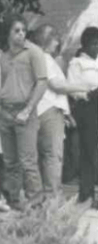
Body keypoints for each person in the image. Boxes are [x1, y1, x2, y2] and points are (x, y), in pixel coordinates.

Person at [0, 14, 48, 210]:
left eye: (23, 30)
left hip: (25, 113)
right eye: (17, 30)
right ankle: (15, 204)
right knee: (10, 162)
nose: (21, 34)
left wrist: (28, 109)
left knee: (28, 161)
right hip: (5, 114)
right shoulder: (4, 57)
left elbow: (42, 82)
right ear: (8, 33)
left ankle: (36, 208)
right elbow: (4, 85)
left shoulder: (34, 52)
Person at [29, 25, 92, 203]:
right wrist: (84, 88)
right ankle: (52, 197)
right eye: (55, 38)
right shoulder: (44, 59)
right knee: (52, 155)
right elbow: (57, 85)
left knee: (47, 155)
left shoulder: (40, 58)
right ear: (47, 40)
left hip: (48, 109)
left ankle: (46, 196)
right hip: (49, 111)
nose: (58, 42)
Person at [69, 27, 98, 207]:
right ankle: (87, 194)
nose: (97, 47)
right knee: (89, 151)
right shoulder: (77, 63)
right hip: (88, 107)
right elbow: (72, 88)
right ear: (85, 45)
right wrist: (88, 94)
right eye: (94, 44)